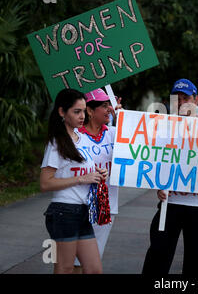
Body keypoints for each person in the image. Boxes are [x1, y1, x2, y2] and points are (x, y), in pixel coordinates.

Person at [142, 78, 198, 275]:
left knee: (196, 263)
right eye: (177, 99)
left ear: (196, 100)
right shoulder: (163, 127)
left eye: (186, 98)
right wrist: (159, 185)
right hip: (170, 204)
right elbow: (153, 162)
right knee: (157, 260)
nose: (182, 102)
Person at [40, 88, 107, 274]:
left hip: (83, 211)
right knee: (65, 268)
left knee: (94, 269)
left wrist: (98, 173)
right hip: (64, 212)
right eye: (76, 111)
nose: (82, 116)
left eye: (84, 111)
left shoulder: (83, 139)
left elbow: (84, 170)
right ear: (62, 112)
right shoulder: (56, 143)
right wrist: (80, 179)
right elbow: (45, 183)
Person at [72, 88, 122, 273]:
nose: (109, 108)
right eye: (104, 105)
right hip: (77, 205)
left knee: (92, 264)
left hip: (105, 207)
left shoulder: (116, 134)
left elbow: (141, 146)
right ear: (90, 111)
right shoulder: (75, 136)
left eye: (109, 104)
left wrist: (123, 121)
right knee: (73, 263)